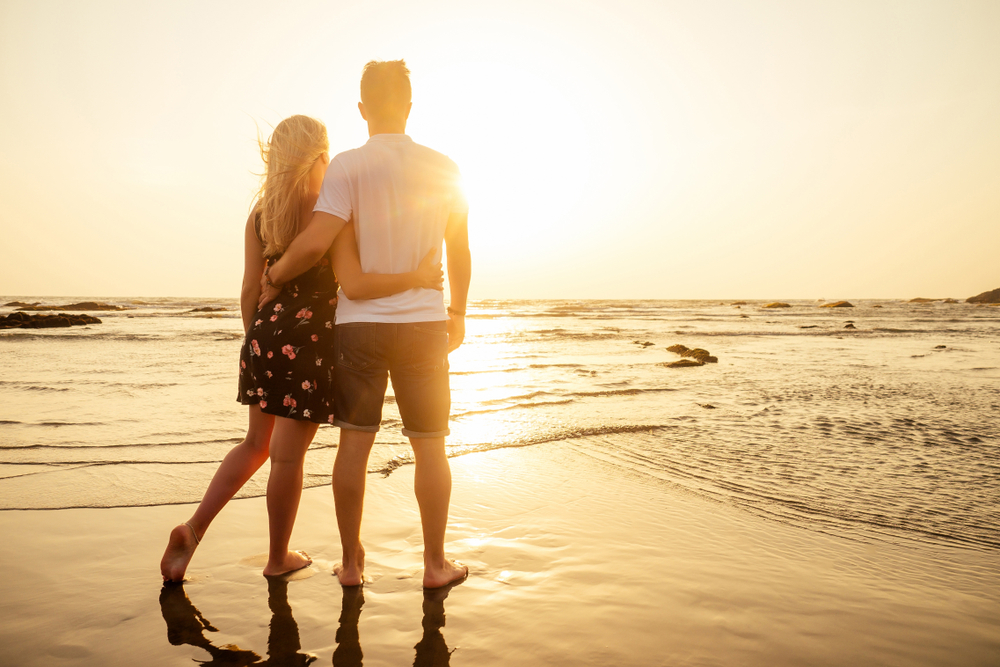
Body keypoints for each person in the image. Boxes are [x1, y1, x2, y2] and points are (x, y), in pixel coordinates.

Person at [160, 114, 444, 582]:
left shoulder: (260, 214)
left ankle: (195, 528)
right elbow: (347, 277)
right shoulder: (329, 209)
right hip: (308, 343)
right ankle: (277, 558)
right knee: (287, 457)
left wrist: (255, 342)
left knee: (254, 444)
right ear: (318, 158)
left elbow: (250, 289)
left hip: (264, 336)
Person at [259, 60, 472, 589]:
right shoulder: (445, 166)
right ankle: (434, 565)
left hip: (358, 329)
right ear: (409, 106)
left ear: (361, 109)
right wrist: (459, 311)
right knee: (431, 446)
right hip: (424, 324)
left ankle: (352, 566)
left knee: (354, 444)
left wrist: (274, 274)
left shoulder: (347, 167)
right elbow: (460, 249)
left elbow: (314, 242)